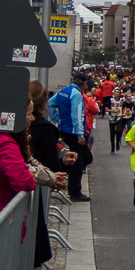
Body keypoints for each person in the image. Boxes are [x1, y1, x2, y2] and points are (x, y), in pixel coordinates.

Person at [0, 121, 38, 232]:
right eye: (28, 113)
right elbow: (23, 181)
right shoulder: (3, 143)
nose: (32, 118)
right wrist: (29, 175)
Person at [52, 73, 93, 201]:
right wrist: (80, 135)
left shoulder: (63, 91)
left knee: (84, 158)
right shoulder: (76, 95)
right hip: (74, 133)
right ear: (84, 84)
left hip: (64, 129)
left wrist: (57, 119)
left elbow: (50, 103)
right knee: (79, 161)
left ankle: (65, 174)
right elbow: (78, 116)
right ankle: (74, 191)